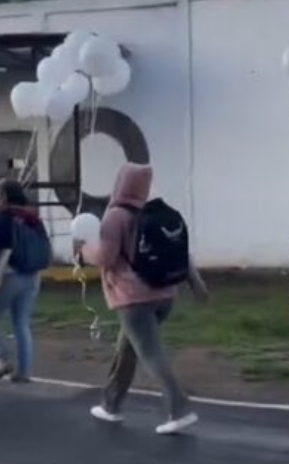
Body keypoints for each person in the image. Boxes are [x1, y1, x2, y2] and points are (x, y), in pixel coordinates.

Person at [77, 163, 204, 434]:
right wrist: (196, 285)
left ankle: (179, 408)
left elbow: (105, 258)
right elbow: (182, 254)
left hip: (133, 298)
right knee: (128, 350)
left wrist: (83, 250)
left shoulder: (116, 216)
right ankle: (111, 404)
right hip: (165, 295)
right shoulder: (156, 214)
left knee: (150, 353)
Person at [0, 179, 44, 383]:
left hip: (9, 275)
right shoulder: (32, 218)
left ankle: (3, 359)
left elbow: (4, 252)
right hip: (33, 276)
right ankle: (24, 371)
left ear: (4, 197)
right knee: (21, 323)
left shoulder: (0, 220)